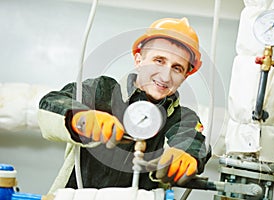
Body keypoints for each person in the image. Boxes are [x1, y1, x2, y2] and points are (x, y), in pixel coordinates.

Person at [38, 17, 210, 194]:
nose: (165, 76)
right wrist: (80, 118)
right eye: (159, 60)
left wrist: (186, 155)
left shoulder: (183, 118)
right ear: (138, 60)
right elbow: (50, 103)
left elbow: (193, 142)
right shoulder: (101, 91)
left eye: (177, 68)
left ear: (185, 76)